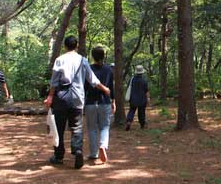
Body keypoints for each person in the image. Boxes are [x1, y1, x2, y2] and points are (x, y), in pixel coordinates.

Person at [44, 35, 111, 169]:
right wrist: (105, 88)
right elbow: (93, 80)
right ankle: (78, 151)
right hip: (77, 99)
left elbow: (54, 81)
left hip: (61, 97)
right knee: (77, 127)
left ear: (65, 46)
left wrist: (50, 96)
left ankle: (58, 156)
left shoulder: (59, 60)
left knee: (59, 127)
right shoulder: (83, 60)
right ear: (76, 46)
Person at [84, 47, 115, 164]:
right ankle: (103, 145)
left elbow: (85, 87)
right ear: (103, 56)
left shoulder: (88, 69)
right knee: (104, 127)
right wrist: (114, 101)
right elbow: (111, 87)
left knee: (92, 128)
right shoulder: (109, 70)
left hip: (90, 102)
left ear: (93, 56)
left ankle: (93, 154)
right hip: (105, 102)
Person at [125, 65, 150, 131]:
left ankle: (128, 122)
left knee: (132, 111)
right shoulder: (144, 81)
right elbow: (146, 91)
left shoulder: (132, 79)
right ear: (142, 72)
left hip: (133, 99)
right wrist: (148, 99)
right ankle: (142, 125)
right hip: (142, 100)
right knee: (141, 112)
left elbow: (128, 88)